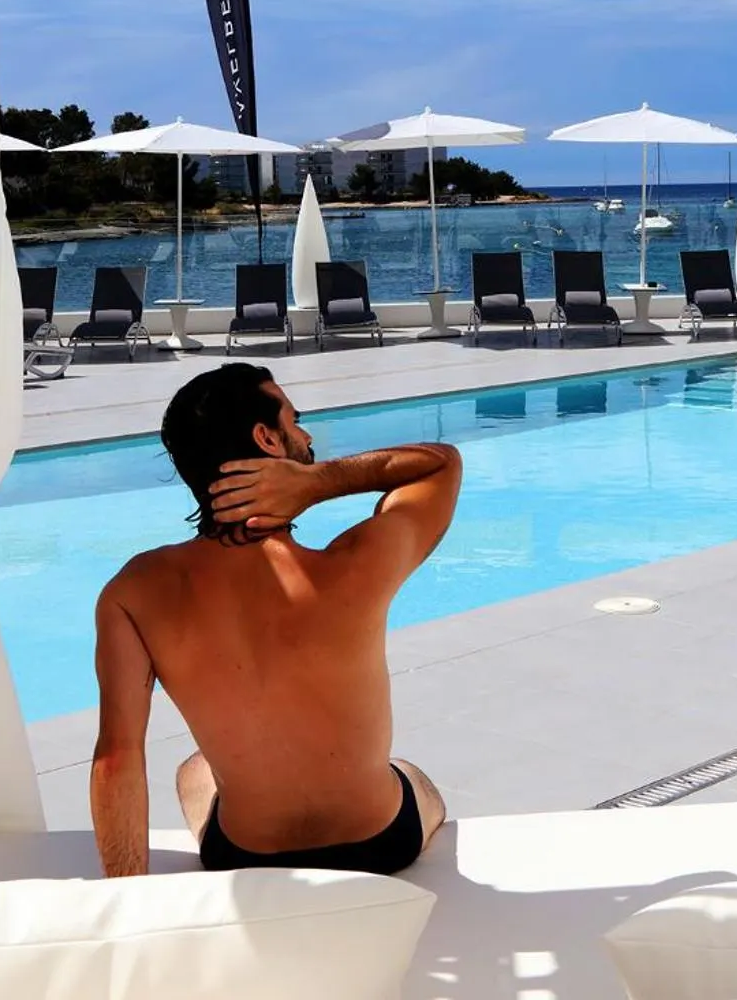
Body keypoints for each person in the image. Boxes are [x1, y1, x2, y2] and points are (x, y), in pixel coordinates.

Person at [89, 362, 461, 878]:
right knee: (411, 775)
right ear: (267, 438)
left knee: (194, 769)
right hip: (380, 844)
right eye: (295, 420)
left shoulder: (134, 592)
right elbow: (441, 464)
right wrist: (320, 481)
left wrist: (127, 906)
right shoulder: (357, 564)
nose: (307, 436)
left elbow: (116, 760)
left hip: (242, 855)